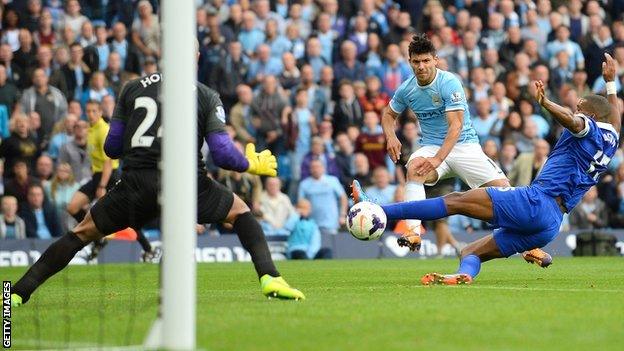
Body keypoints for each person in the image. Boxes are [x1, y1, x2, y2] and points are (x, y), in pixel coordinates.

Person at [11, 68, 304, 307]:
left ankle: (17, 293)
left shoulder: (131, 88)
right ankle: (270, 277)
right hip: (185, 183)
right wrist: (249, 165)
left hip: (135, 183)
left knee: (80, 233)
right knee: (241, 212)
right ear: (197, 57)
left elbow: (112, 148)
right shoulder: (205, 94)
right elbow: (224, 155)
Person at [352, 53, 620, 285]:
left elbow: (574, 122)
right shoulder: (612, 137)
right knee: (469, 251)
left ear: (592, 117)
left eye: (581, 108)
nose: (577, 110)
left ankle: (378, 210)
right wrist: (610, 82)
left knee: (455, 201)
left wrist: (547, 103)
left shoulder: (588, 128)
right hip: (551, 223)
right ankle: (464, 275)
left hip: (537, 201)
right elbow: (613, 115)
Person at [381, 34, 508, 251]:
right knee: (414, 169)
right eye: (416, 62)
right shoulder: (407, 89)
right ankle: (412, 232)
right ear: (410, 62)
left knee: (505, 192)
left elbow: (455, 127)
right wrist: (391, 136)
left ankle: (527, 244)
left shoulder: (449, 82)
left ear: (435, 60)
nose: (421, 66)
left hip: (463, 145)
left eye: (426, 61)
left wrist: (438, 159)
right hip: (431, 145)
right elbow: (388, 115)